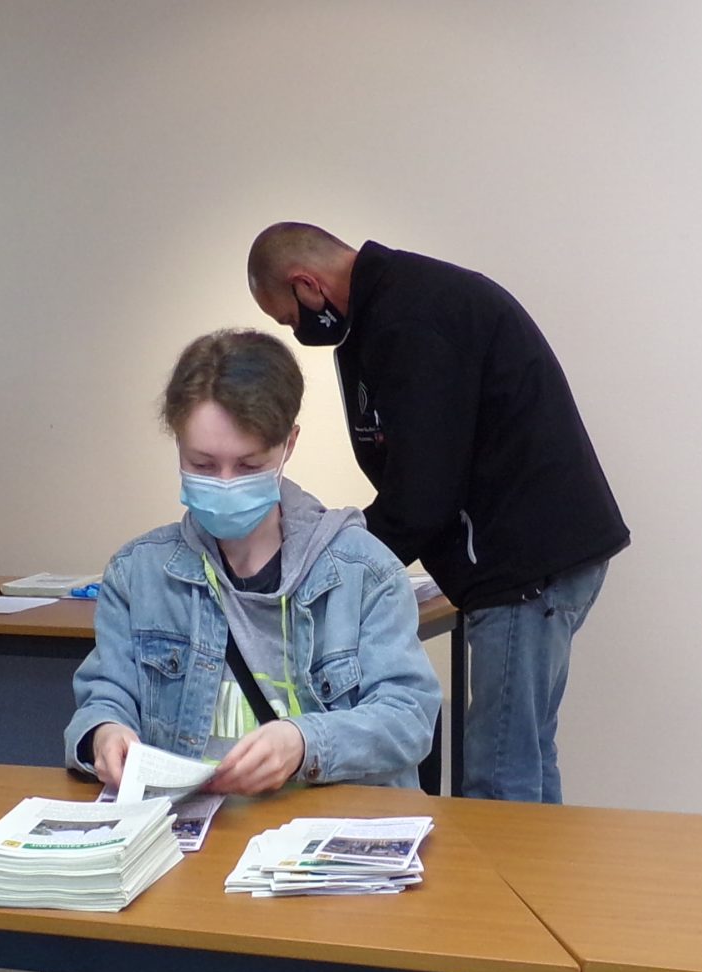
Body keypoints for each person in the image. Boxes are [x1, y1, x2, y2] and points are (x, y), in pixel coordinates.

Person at [64, 329, 441, 972]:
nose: (222, 484)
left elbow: (408, 714)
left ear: (287, 448)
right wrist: (103, 734)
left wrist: (306, 741)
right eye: (202, 463)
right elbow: (101, 690)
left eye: (246, 463)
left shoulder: (358, 569)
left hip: (322, 874)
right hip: (190, 872)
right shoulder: (143, 568)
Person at [246, 222, 627, 805]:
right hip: (538, 558)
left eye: (290, 317)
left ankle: (505, 872)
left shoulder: (413, 320)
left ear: (308, 285)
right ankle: (536, 866)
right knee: (525, 754)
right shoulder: (395, 307)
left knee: (498, 777)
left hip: (523, 569)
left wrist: (335, 564)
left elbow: (423, 492)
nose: (297, 331)